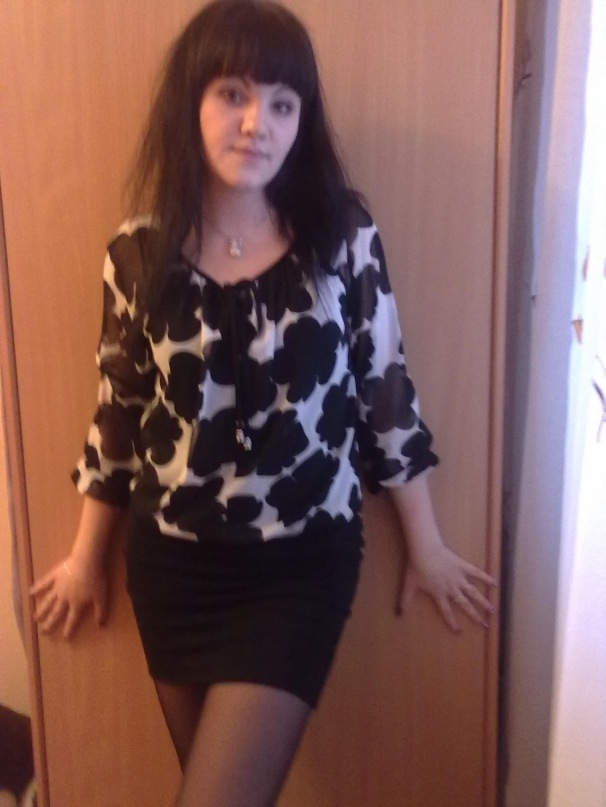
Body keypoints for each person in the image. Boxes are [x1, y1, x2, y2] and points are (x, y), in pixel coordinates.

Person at [30, 2, 496, 805]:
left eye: (283, 103)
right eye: (233, 94)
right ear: (191, 101)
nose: (258, 123)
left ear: (302, 121)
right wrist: (84, 555)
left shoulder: (341, 235)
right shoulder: (137, 252)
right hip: (172, 563)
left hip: (300, 565)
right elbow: (120, 412)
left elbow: (384, 385)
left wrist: (425, 543)